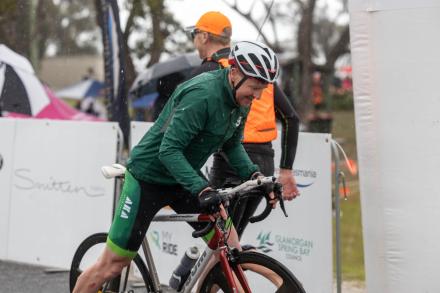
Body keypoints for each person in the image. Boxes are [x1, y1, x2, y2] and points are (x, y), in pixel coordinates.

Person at [72, 41, 281, 293]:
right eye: (254, 88)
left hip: (182, 178)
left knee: (230, 248)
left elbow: (232, 145)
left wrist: (255, 176)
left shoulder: (241, 101)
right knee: (113, 265)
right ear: (234, 72)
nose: (257, 96)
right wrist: (202, 189)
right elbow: (168, 150)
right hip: (147, 179)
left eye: (262, 90)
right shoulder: (202, 95)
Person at [187, 11, 301, 238]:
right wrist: (286, 170)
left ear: (203, 37)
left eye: (194, 33)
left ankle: (182, 275)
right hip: (263, 164)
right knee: (229, 240)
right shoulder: (256, 68)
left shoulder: (213, 71)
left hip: (233, 161)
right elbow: (291, 117)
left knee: (217, 238)